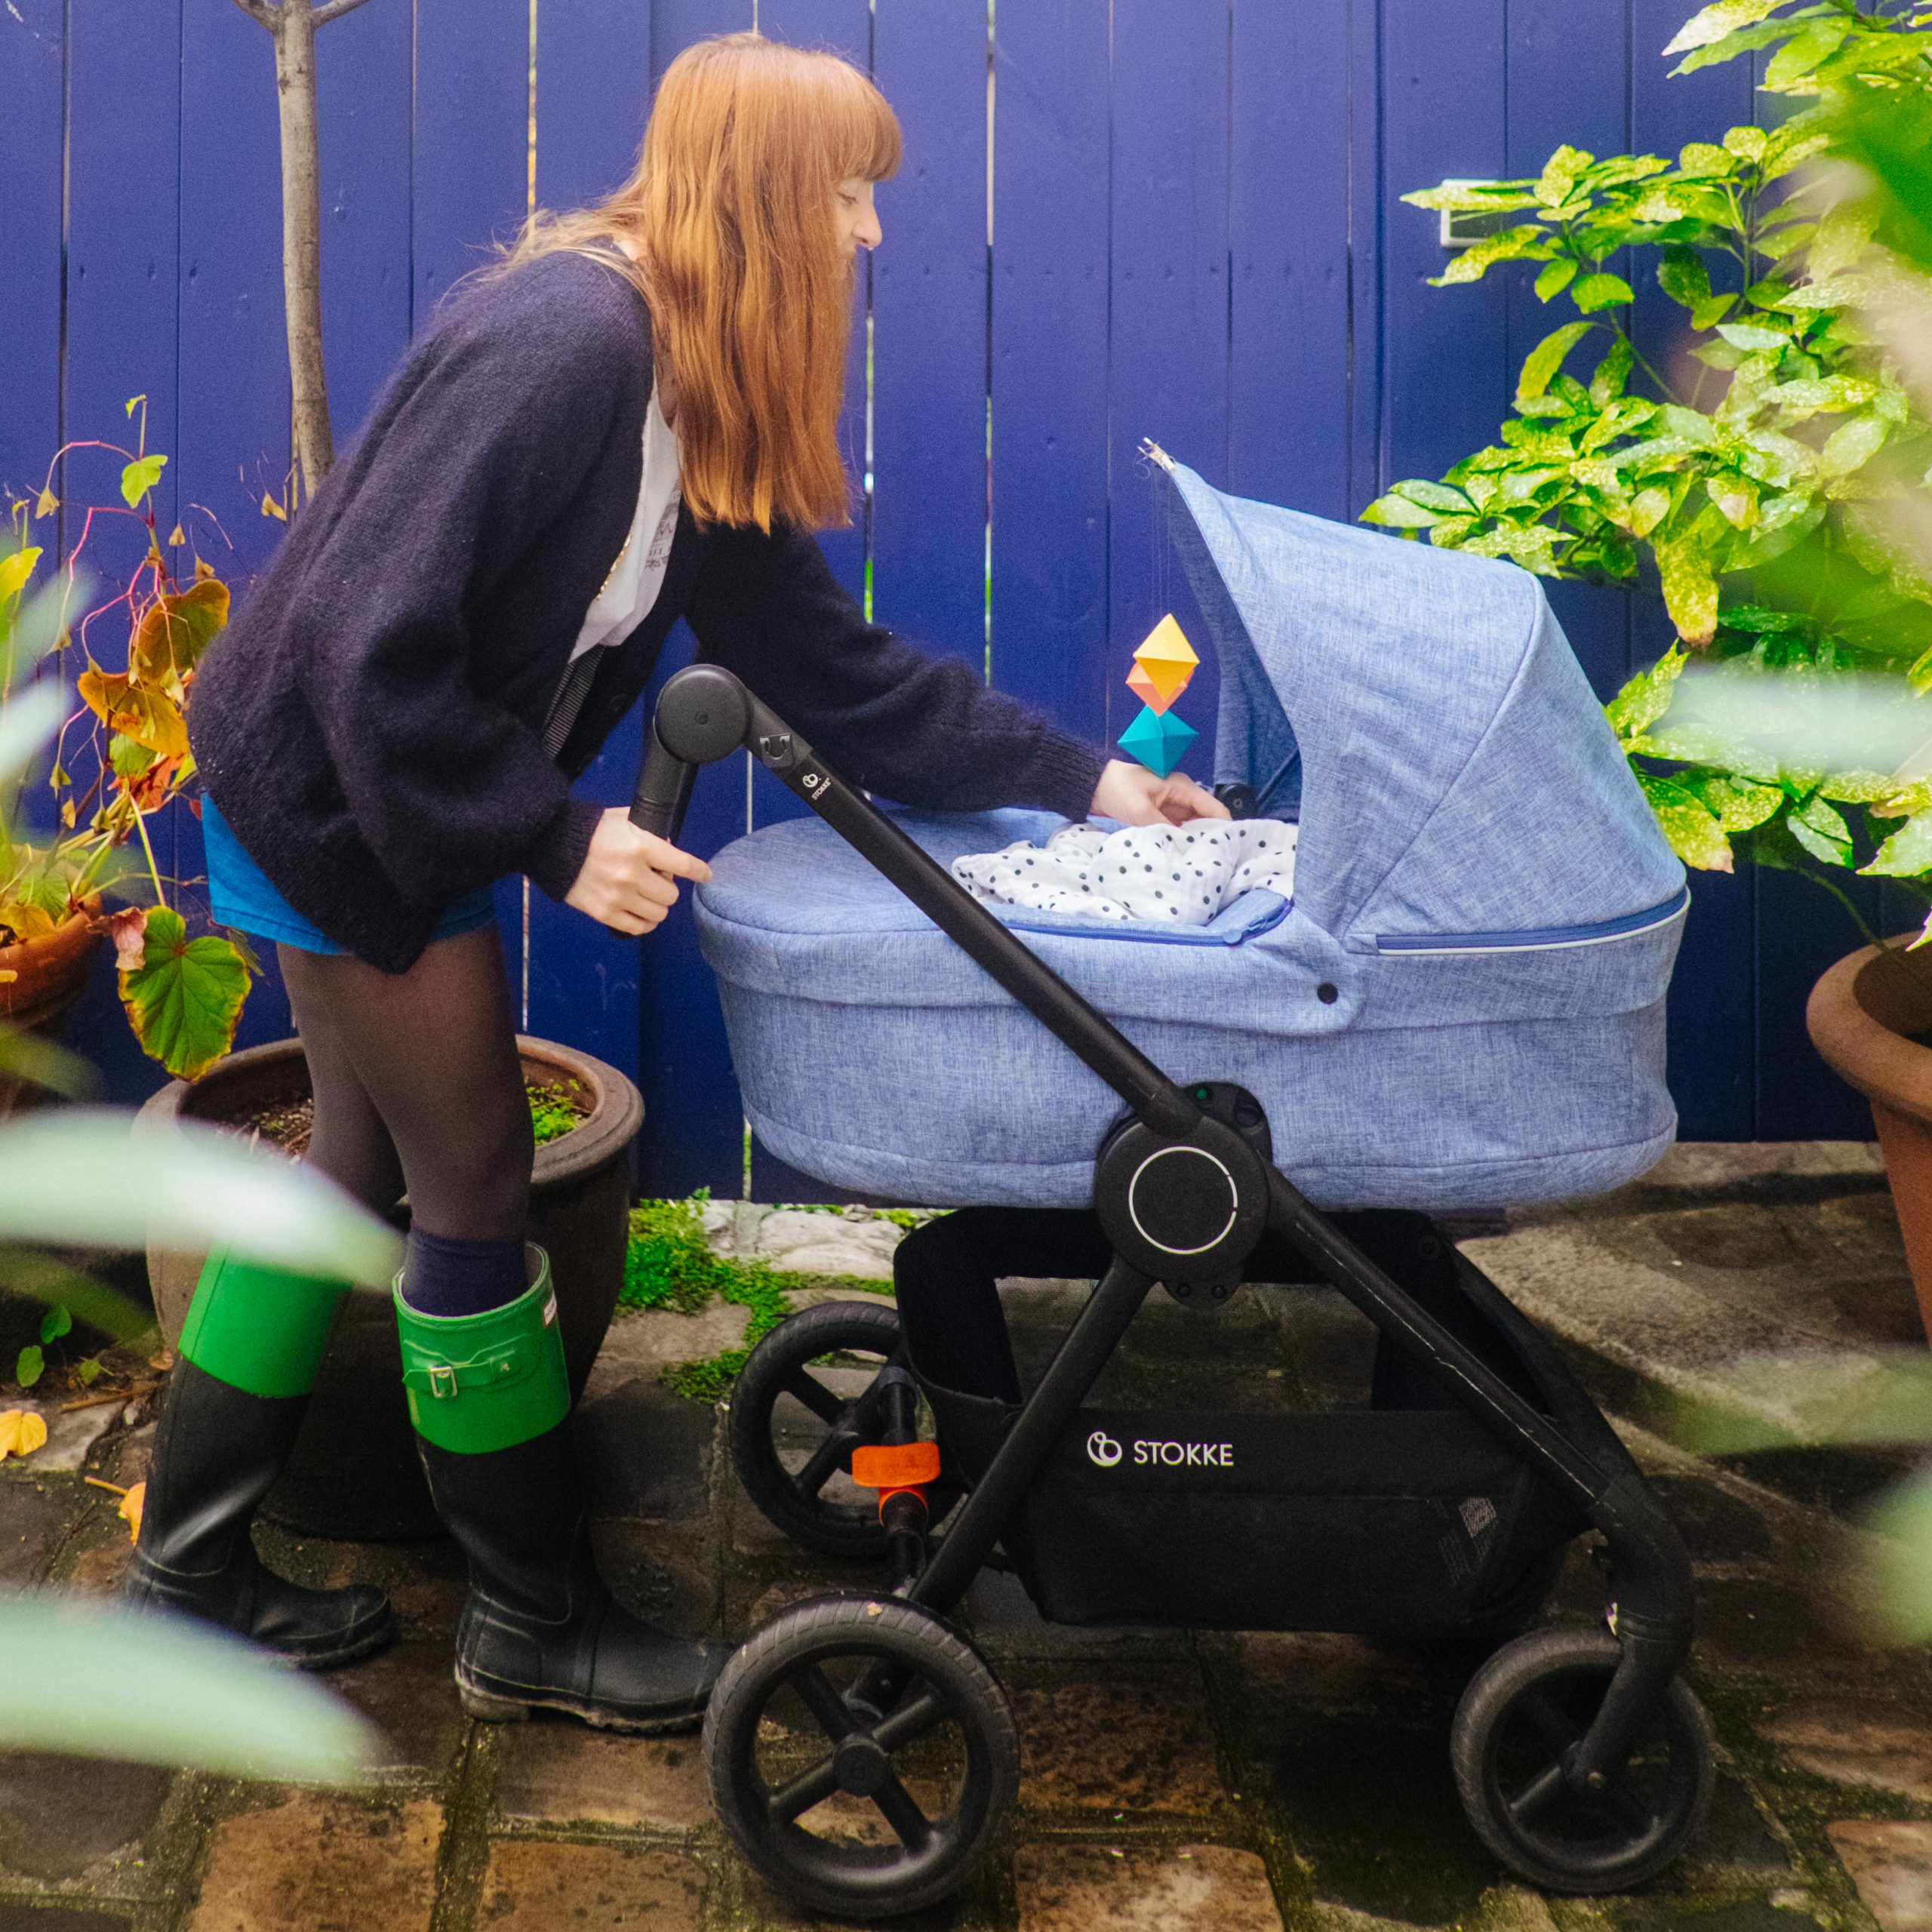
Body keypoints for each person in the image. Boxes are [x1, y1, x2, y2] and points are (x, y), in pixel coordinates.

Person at [125, 31, 1226, 1734]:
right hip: (328, 788)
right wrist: (554, 833)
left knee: (349, 1167)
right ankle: (530, 1621)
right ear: (771, 198)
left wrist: (1089, 781)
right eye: (849, 195)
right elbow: (363, 645)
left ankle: (186, 1583)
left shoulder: (691, 381)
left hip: (376, 780)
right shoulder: (564, 341)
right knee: (476, 1176)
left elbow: (832, 669)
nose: (867, 233)